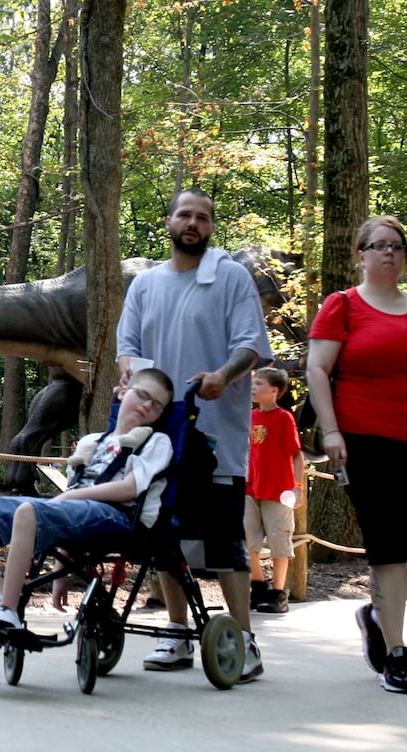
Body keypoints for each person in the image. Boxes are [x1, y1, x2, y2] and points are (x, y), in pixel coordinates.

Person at [116, 187, 272, 683]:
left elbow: (251, 346)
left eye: (202, 217)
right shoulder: (145, 284)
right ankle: (177, 634)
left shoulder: (229, 277)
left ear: (210, 227)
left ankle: (243, 640)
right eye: (185, 214)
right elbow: (128, 348)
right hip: (158, 435)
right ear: (169, 221)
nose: (193, 223)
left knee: (225, 541)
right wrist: (133, 381)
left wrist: (223, 377)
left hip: (217, 436)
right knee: (164, 535)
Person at [307, 215, 407, 694]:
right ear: (360, 255)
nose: (388, 253)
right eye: (378, 246)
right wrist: (331, 431)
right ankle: (396, 653)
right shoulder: (343, 306)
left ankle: (376, 613)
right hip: (364, 437)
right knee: (389, 549)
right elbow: (318, 369)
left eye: (396, 246)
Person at [0, 369, 176, 635]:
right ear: (122, 391)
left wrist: (69, 495)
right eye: (143, 395)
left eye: (156, 405)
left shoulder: (156, 441)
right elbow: (66, 514)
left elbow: (129, 489)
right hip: (77, 509)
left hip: (118, 516)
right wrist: (61, 571)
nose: (146, 405)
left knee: (30, 510)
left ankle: (8, 610)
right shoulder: (91, 442)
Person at [244, 367, 304, 615]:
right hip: (251, 486)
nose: (254, 387)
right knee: (248, 538)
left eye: (259, 384)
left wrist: (297, 487)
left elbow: (297, 454)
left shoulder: (283, 418)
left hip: (278, 489)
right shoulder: (250, 416)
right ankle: (257, 586)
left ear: (274, 390)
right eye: (253, 383)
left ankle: (278, 593)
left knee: (280, 539)